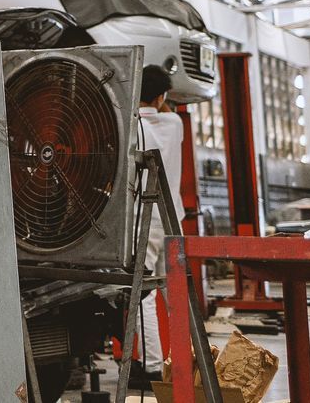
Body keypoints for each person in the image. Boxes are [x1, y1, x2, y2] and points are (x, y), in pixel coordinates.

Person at [134, 63, 185, 383]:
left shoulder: (131, 123)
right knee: (175, 291)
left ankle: (152, 365)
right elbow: (164, 110)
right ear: (161, 96)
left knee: (145, 294)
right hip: (172, 218)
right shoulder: (175, 123)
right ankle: (183, 360)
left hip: (144, 218)